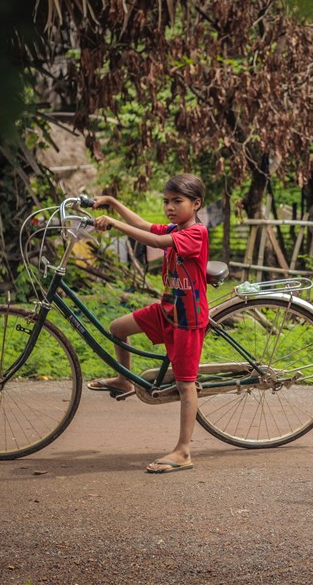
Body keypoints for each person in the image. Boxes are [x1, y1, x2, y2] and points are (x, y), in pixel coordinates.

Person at [86, 173, 209, 475]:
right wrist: (113, 203)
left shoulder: (195, 233)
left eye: (177, 201)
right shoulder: (176, 227)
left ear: (196, 204)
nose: (169, 207)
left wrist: (113, 224)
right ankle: (124, 380)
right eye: (166, 201)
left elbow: (155, 241)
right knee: (118, 328)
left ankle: (183, 451)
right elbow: (143, 225)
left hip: (188, 319)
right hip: (167, 310)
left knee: (185, 384)